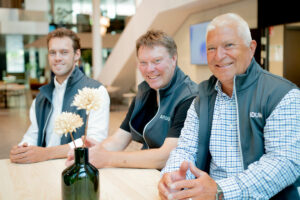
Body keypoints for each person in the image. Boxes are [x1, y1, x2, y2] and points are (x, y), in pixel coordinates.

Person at [158, 13, 300, 200]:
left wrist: (220, 191)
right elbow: (186, 149)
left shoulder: (283, 95)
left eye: (229, 45)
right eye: (211, 48)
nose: (219, 56)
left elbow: (283, 163)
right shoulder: (202, 98)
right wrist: (173, 176)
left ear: (252, 48)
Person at [66, 30, 198, 169]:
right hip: (147, 172)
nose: (149, 69)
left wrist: (107, 158)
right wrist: (90, 153)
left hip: (174, 178)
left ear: (173, 59)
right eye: (143, 62)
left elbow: (166, 157)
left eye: (157, 61)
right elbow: (118, 140)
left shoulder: (189, 98)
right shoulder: (145, 92)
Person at [10, 28, 110, 164]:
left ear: (76, 55)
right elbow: (32, 135)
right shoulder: (41, 98)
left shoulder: (96, 91)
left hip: (75, 170)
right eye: (52, 52)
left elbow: (94, 141)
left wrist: (46, 153)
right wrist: (21, 150)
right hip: (43, 170)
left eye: (64, 52)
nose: (57, 58)